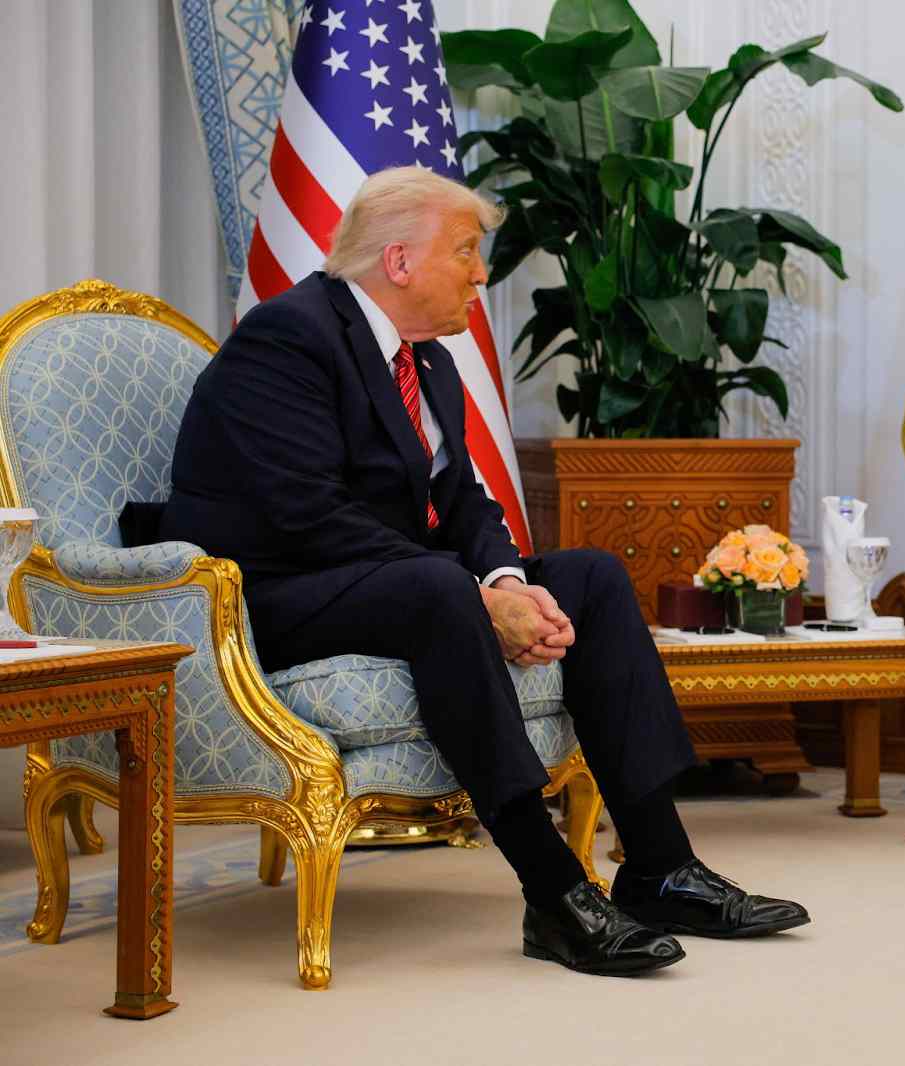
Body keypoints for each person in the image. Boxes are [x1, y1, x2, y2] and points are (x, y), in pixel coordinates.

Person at [160, 165, 808, 976]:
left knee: (595, 578)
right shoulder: (288, 337)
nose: (480, 273)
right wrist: (471, 595)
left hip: (379, 577)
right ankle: (555, 894)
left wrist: (505, 583)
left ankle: (660, 867)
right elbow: (306, 515)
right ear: (398, 262)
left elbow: (461, 501)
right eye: (466, 252)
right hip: (274, 591)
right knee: (437, 589)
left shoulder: (425, 359)